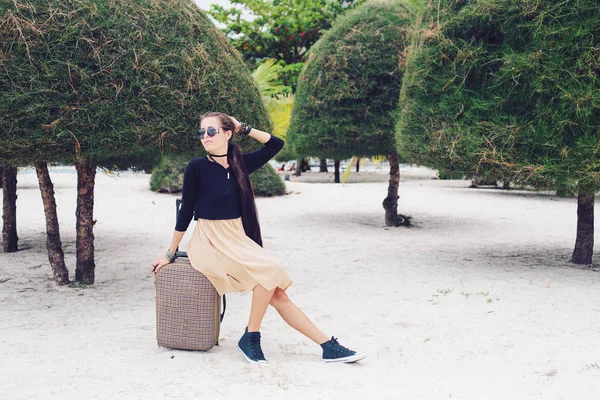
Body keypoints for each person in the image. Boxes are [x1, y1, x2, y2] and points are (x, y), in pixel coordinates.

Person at [152, 112, 366, 365]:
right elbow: (186, 211)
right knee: (271, 271)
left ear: (228, 133)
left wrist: (244, 127)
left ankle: (325, 345)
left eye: (212, 131)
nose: (205, 137)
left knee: (276, 293)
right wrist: (170, 252)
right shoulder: (197, 167)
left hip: (236, 237)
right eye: (202, 132)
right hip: (209, 240)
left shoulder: (241, 164)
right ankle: (252, 335)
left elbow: (276, 144)